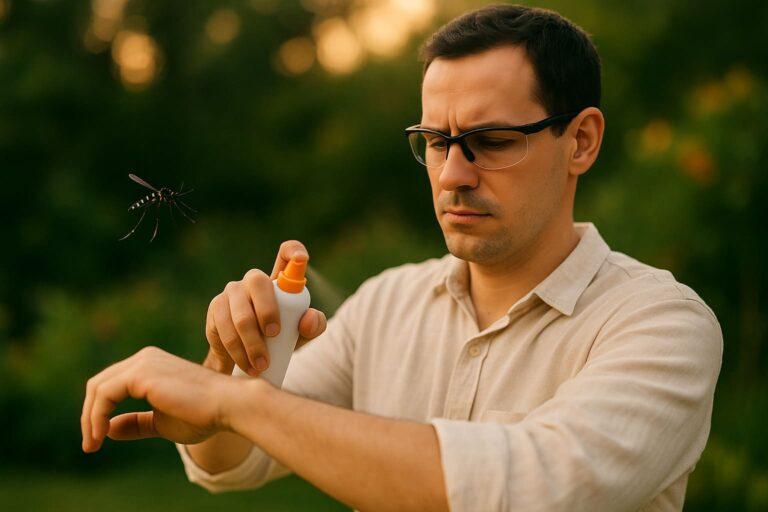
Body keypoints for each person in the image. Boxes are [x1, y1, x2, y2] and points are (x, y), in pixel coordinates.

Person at [80, 4, 723, 511]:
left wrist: (237, 404)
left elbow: (530, 490)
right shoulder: (387, 302)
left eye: (490, 141)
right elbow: (233, 462)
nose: (452, 176)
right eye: (436, 142)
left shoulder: (660, 323)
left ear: (580, 140)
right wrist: (226, 374)